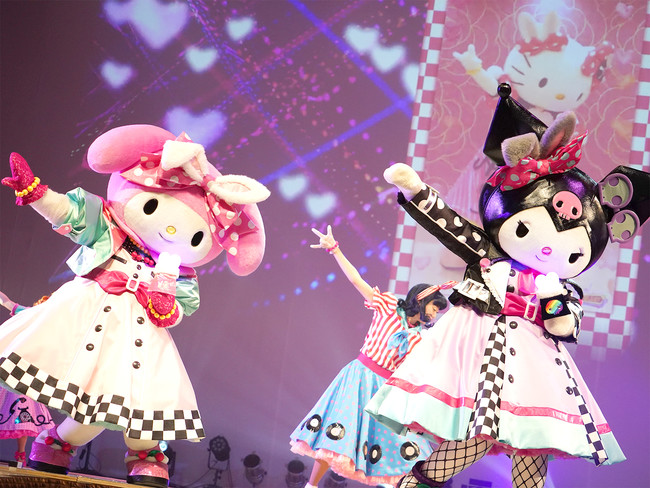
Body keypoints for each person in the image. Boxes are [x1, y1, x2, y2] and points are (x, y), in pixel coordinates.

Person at [365, 85, 649, 487]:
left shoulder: (564, 289)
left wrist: (551, 295)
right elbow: (451, 227)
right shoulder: (490, 257)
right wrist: (417, 191)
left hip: (536, 369)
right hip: (483, 359)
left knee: (535, 444)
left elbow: (565, 326)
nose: (548, 247)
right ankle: (413, 484)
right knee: (477, 438)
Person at [0, 124, 269, 486]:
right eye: (153, 205)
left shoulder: (178, 273)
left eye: (194, 236)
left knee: (142, 403)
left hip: (141, 340)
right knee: (94, 404)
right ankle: (58, 442)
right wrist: (37, 194)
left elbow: (177, 310)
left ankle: (142, 455)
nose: (171, 232)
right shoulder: (110, 229)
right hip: (89, 319)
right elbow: (70, 214)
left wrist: (164, 301)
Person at [290, 224, 450, 487]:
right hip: (358, 378)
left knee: (393, 444)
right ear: (421, 300)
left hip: (385, 390)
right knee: (335, 431)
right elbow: (357, 281)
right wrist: (335, 249)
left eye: (438, 311)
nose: (434, 314)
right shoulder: (388, 305)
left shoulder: (421, 337)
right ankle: (311, 485)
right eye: (434, 307)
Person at [0, 291, 55, 466]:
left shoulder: (54, 325)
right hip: (13, 368)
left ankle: (21, 454)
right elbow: (7, 302)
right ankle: (21, 455)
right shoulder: (31, 314)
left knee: (23, 412)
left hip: (27, 374)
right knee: (13, 408)